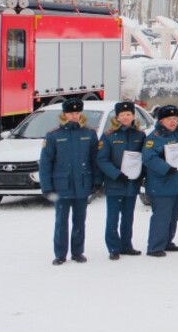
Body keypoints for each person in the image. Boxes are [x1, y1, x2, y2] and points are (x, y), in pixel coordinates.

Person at [39, 98, 97, 265]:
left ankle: (78, 252)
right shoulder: (53, 135)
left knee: (80, 221)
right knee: (61, 222)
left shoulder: (89, 133)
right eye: (71, 113)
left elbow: (94, 160)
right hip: (61, 186)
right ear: (64, 114)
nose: (74, 116)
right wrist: (47, 187)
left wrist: (96, 181)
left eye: (77, 112)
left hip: (82, 185)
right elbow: (45, 163)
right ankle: (60, 254)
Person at [96, 101, 146, 260]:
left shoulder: (140, 135)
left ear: (133, 116)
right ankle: (113, 247)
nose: (125, 117)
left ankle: (126, 245)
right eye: (122, 115)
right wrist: (116, 174)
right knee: (112, 218)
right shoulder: (109, 135)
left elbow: (143, 157)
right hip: (115, 183)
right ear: (117, 117)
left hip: (131, 183)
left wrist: (140, 174)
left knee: (128, 217)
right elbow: (102, 159)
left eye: (129, 114)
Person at [142, 105, 178, 257]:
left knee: (174, 216)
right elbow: (148, 157)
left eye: (175, 119)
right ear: (161, 121)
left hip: (176, 183)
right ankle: (155, 246)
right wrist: (165, 168)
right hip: (161, 184)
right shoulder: (154, 137)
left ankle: (167, 241)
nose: (173, 122)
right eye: (169, 119)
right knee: (161, 217)